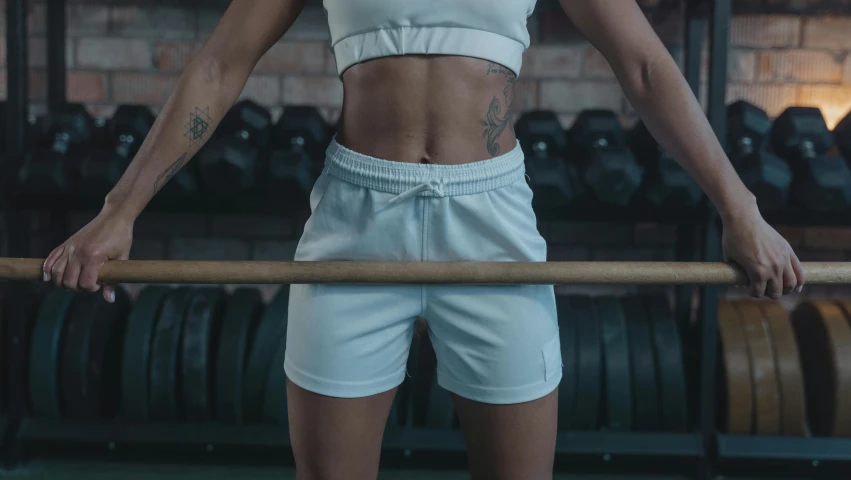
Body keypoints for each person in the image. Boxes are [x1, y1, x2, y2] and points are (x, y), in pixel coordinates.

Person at [42, 0, 804, 478]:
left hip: (492, 223)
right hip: (354, 221)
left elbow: (641, 65)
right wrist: (120, 208)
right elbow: (219, 63)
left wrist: (740, 211)